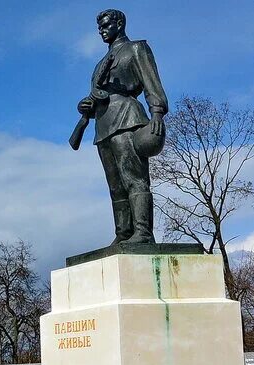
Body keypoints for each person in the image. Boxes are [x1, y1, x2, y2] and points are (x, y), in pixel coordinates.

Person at [77, 9, 168, 244]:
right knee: (115, 186)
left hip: (127, 117)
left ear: (119, 23)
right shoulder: (99, 65)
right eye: (99, 27)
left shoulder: (136, 48)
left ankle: (143, 232)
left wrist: (157, 113)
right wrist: (87, 105)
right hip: (103, 124)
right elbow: (97, 93)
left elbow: (151, 83)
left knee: (134, 179)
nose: (102, 30)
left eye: (106, 25)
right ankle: (123, 233)